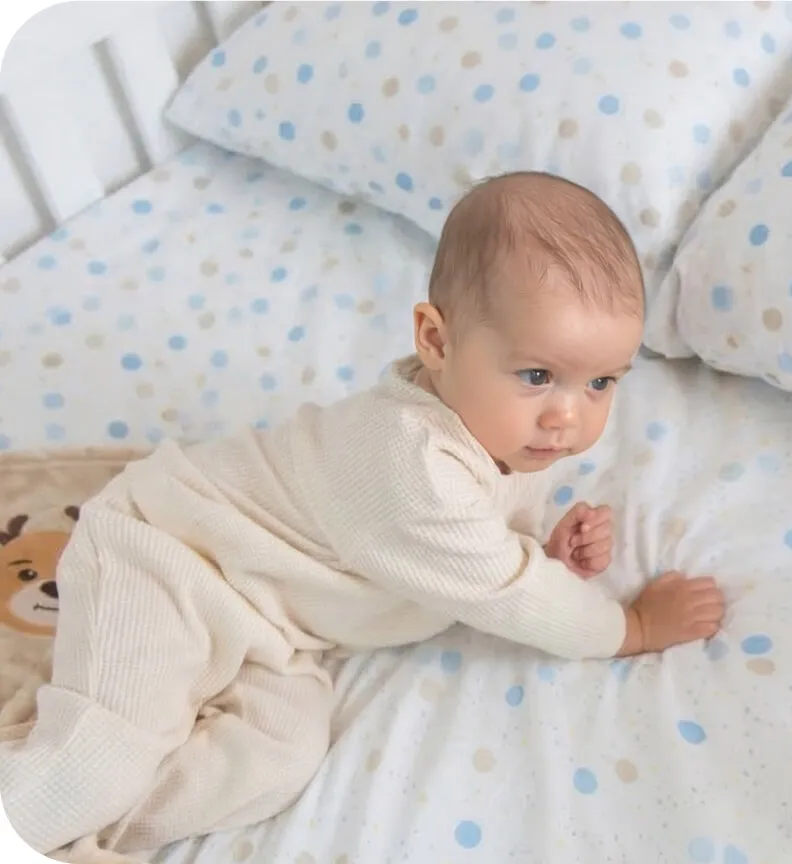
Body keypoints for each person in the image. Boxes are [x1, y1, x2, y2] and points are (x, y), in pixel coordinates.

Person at [0, 172, 727, 861]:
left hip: (278, 622)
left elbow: (488, 543)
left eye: (600, 382)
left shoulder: (512, 427)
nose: (569, 415)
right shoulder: (408, 463)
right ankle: (36, 814)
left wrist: (544, 547)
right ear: (435, 340)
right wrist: (632, 627)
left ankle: (67, 827)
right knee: (108, 748)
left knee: (275, 758)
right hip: (172, 559)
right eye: (538, 375)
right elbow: (512, 592)